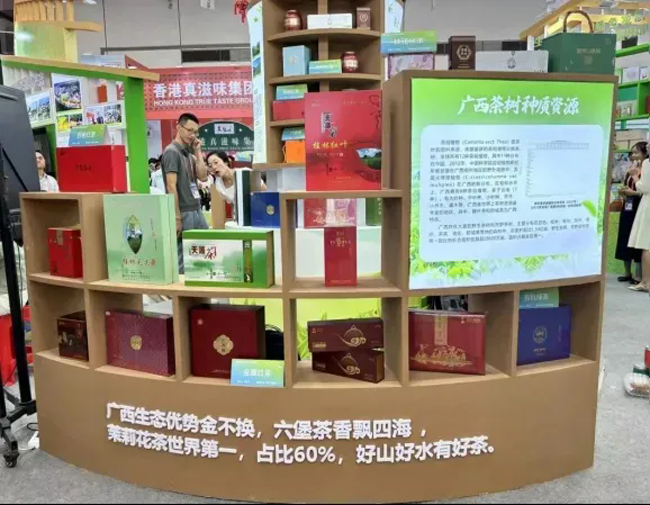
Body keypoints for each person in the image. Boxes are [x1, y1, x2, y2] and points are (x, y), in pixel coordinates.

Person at [160, 113, 209, 273]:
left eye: (195, 132)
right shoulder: (171, 152)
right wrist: (176, 217)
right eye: (189, 130)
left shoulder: (188, 153)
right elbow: (171, 186)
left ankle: (198, 285)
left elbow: (203, 176)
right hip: (183, 211)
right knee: (183, 256)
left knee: (203, 250)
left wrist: (198, 151)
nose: (192, 135)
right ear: (178, 127)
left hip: (196, 208)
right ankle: (181, 287)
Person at [615, 141, 647, 284]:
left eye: (636, 152)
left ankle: (639, 275)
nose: (633, 156)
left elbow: (645, 190)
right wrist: (623, 191)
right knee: (625, 236)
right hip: (628, 206)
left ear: (645, 153)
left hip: (640, 205)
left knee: (638, 239)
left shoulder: (646, 169)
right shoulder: (630, 169)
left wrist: (633, 191)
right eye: (632, 153)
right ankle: (627, 272)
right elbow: (626, 184)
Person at [627, 141, 650, 292]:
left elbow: (644, 187)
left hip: (648, 205)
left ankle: (646, 282)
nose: (647, 146)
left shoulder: (647, 163)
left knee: (646, 244)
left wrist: (635, 177)